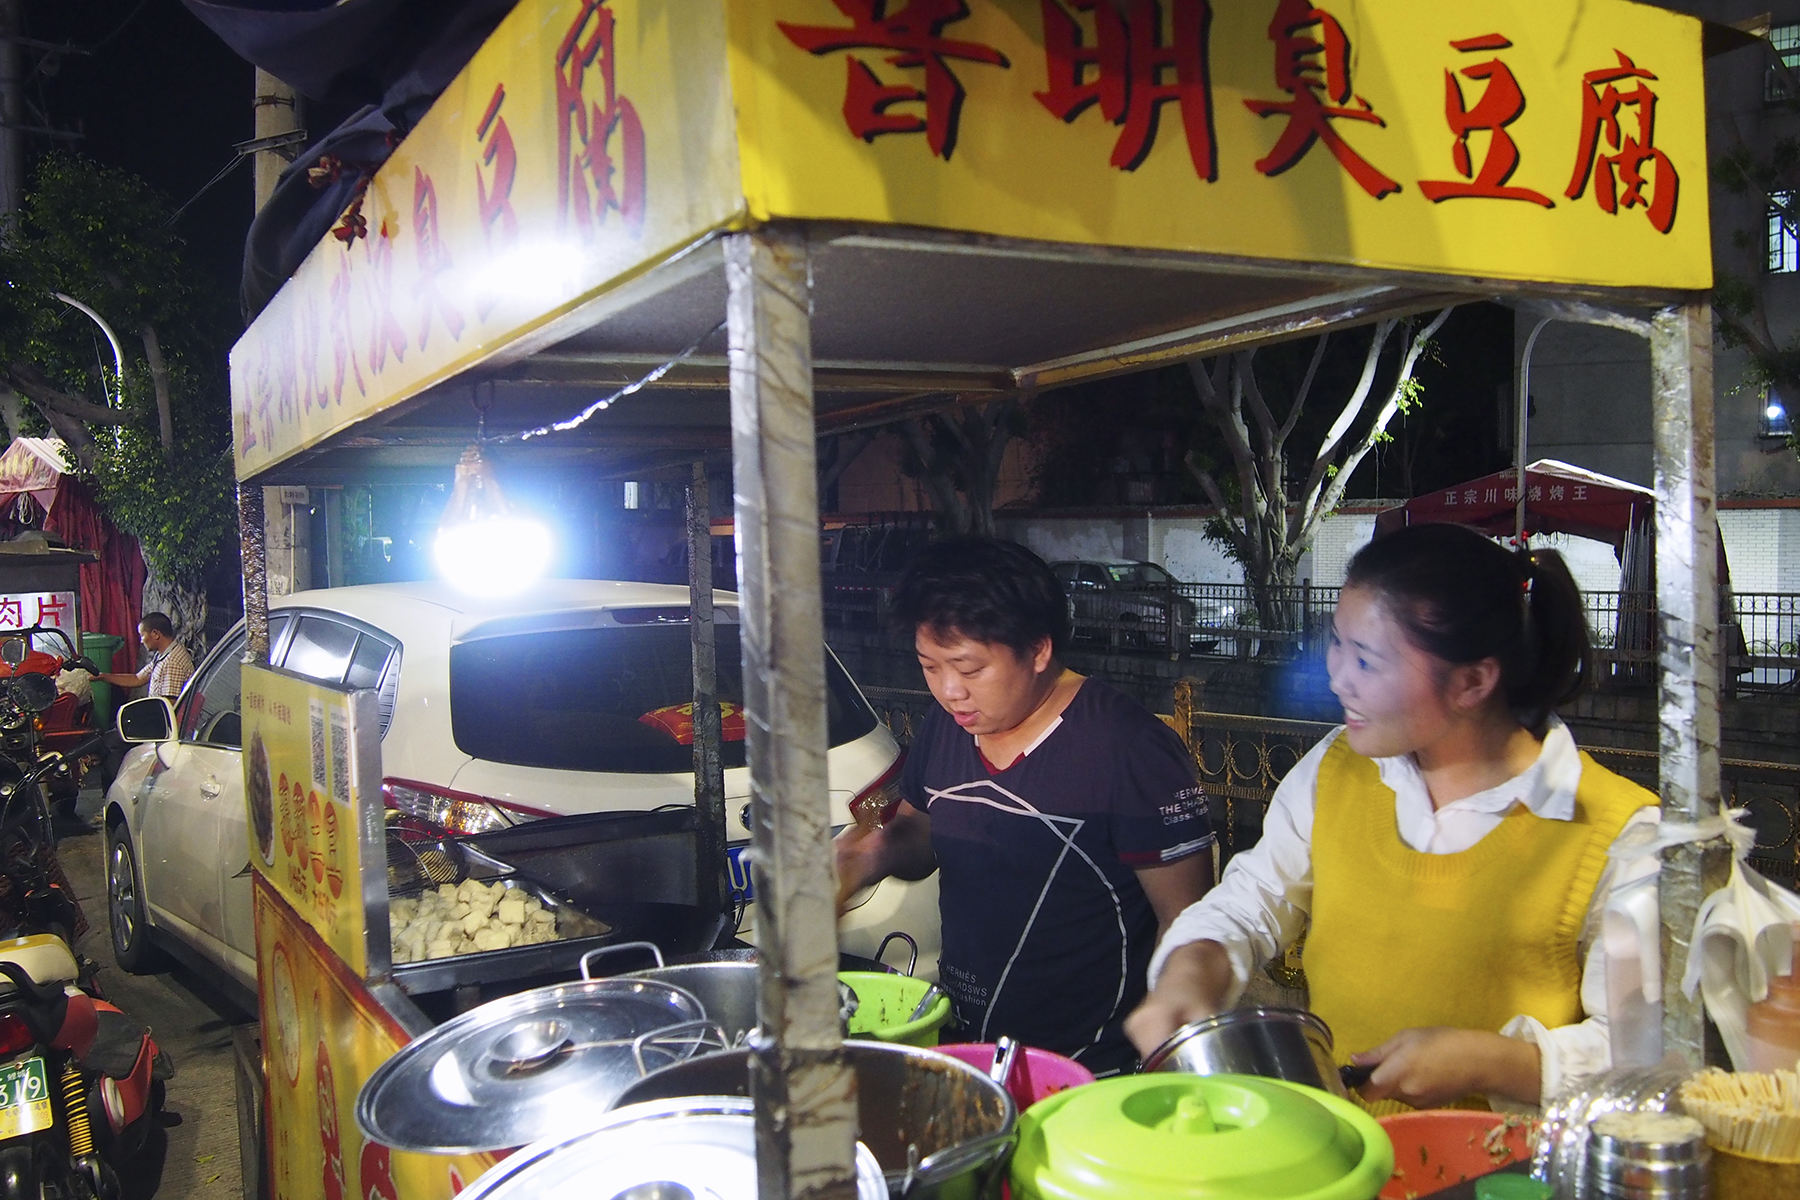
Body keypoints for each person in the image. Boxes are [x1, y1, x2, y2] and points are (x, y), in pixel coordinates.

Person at [1125, 523, 1660, 1113]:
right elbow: (1252, 899)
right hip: (1343, 1149)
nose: (1336, 677)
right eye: (1337, 643)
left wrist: (1497, 1062)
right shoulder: (1336, 768)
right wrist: (1193, 964)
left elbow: (1648, 1055)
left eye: (1366, 660)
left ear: (1472, 681)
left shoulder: (1619, 834)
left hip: (1498, 1172)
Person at [834, 536, 1216, 1074]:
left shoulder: (1129, 749)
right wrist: (867, 855)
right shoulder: (949, 728)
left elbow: (1188, 916)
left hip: (1095, 1066)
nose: (949, 692)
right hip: (971, 1047)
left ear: (1038, 650)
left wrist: (1172, 1041)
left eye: (969, 669)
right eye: (929, 666)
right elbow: (922, 833)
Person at [92, 613, 194, 701]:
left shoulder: (172, 662)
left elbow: (170, 706)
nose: (141, 641)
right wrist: (103, 676)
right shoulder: (163, 655)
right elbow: (137, 678)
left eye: (142, 635)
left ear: (155, 634)